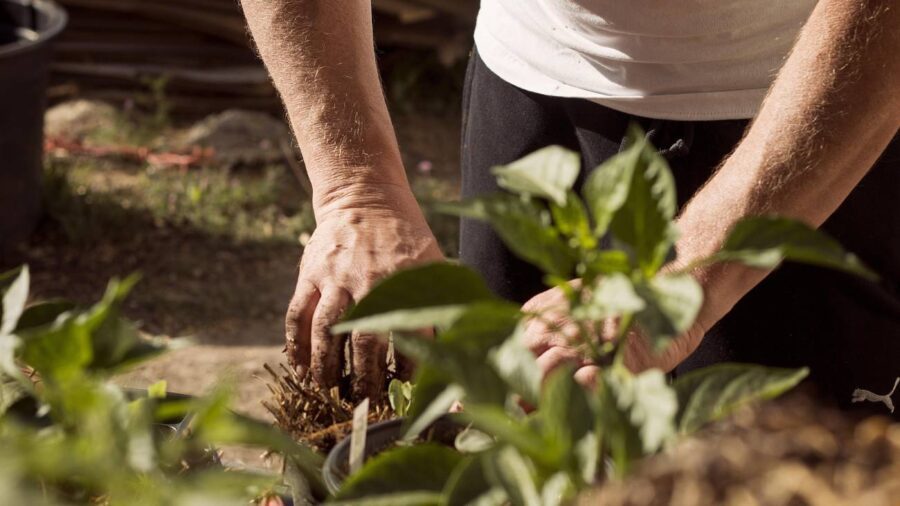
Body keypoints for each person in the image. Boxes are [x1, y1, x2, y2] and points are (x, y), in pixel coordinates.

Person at [239, 0, 900, 407]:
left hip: (810, 118)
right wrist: (358, 190)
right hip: (529, 86)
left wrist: (688, 272)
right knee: (512, 452)